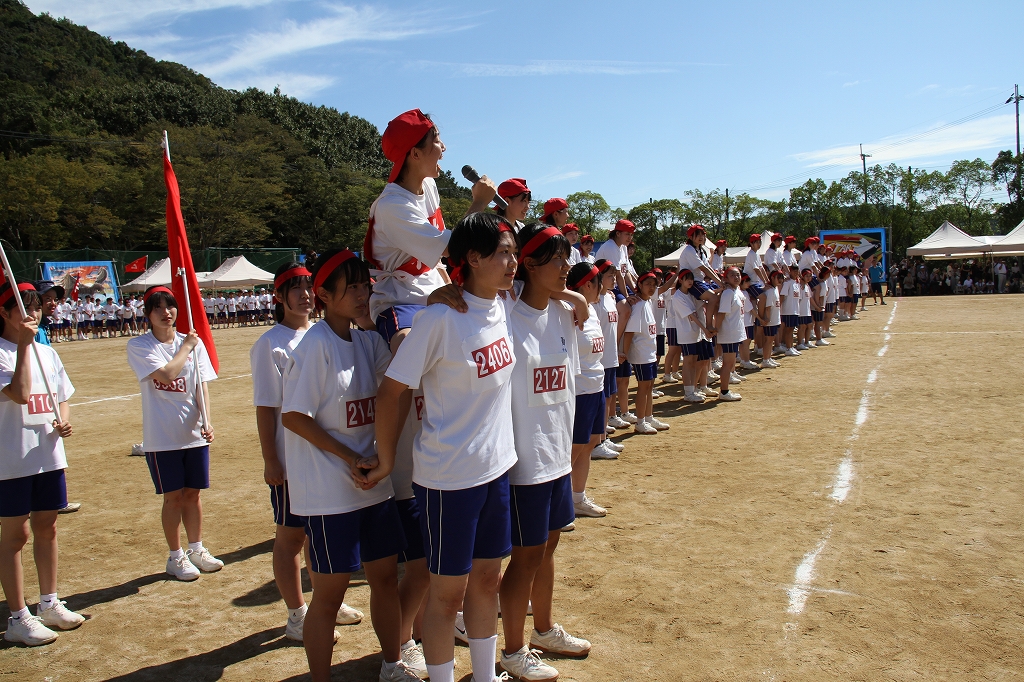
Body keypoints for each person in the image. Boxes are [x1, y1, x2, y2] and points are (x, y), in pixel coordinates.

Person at [371, 212, 518, 682]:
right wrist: (387, 459)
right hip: (448, 480)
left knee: (487, 581)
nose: (512, 262)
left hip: (496, 469)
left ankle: (485, 676)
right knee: (447, 595)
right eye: (503, 253)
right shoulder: (438, 319)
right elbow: (391, 391)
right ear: (473, 257)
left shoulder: (502, 304)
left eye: (514, 252)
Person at [279, 249, 418, 682]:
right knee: (329, 595)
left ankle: (392, 664)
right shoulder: (314, 345)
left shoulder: (367, 341)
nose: (362, 294)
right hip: (329, 493)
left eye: (364, 285)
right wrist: (353, 457)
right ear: (323, 294)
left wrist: (378, 455)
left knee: (385, 580)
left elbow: (397, 387)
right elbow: (293, 416)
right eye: (351, 287)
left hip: (372, 485)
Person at [249, 262, 364, 643]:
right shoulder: (270, 343)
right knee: (290, 536)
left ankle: (324, 602)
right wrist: (271, 459)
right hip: (291, 459)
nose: (303, 296)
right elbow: (267, 407)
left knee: (319, 535)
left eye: (307, 287)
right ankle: (297, 613)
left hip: (324, 457)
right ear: (279, 297)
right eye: (294, 289)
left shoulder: (322, 333)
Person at [498, 230, 592, 680]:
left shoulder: (564, 314)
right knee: (525, 556)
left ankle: (544, 629)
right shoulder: (505, 314)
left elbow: (566, 385)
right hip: (523, 462)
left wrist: (575, 297)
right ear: (529, 265)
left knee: (548, 548)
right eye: (556, 259)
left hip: (556, 455)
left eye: (567, 258)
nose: (566, 267)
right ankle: (512, 651)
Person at [363, 108, 495, 357]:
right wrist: (478, 203)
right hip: (400, 301)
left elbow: (438, 254)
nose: (443, 147)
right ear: (415, 153)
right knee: (408, 349)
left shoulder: (429, 185)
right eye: (436, 140)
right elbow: (450, 247)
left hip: (434, 290)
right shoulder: (392, 205)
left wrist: (450, 285)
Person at [0, 281, 83, 646]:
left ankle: (49, 602)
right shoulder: (4, 352)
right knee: (16, 535)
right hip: (11, 459)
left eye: (35, 307)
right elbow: (19, 394)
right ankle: (18, 617)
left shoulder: (47, 353)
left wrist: (63, 418)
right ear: (4, 313)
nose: (32, 313)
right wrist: (22, 346)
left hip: (48, 454)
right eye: (24, 307)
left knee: (47, 527)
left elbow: (62, 396)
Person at [126, 286, 221, 581]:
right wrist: (187, 347)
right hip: (162, 437)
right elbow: (167, 375)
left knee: (193, 494)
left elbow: (201, 384)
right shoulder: (140, 346)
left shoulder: (191, 343)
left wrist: (207, 420)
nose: (166, 313)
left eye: (170, 306)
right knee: (173, 498)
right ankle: (175, 556)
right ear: (147, 314)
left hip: (193, 434)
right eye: (158, 308)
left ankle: (197, 549)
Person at [621, 272, 667, 433]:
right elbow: (629, 332)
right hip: (641, 353)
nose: (651, 287)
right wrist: (624, 353)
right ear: (639, 285)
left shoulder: (647, 302)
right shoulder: (638, 305)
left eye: (654, 285)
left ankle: (648, 417)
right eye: (648, 284)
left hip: (649, 352)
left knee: (650, 385)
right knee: (643, 386)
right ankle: (640, 422)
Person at [714, 267, 746, 401]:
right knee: (728, 363)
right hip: (729, 332)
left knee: (731, 362)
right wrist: (716, 329)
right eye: (732, 275)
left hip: (736, 331)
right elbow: (722, 313)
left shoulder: (736, 291)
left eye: (738, 275)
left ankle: (726, 389)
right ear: (726, 278)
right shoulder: (728, 293)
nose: (736, 277)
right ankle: (724, 391)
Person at [594, 219, 636, 295]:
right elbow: (618, 276)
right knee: (625, 302)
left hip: (618, 285)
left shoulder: (623, 247)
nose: (630, 237)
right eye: (627, 234)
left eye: (631, 235)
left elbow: (626, 272)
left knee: (639, 299)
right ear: (618, 233)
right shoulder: (610, 246)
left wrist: (637, 292)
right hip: (606, 287)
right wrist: (627, 297)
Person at [759, 270, 783, 369]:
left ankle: (768, 358)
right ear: (772, 278)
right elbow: (768, 307)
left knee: (771, 339)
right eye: (778, 278)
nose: (780, 280)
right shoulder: (769, 291)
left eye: (781, 278)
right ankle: (765, 360)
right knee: (768, 340)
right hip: (770, 320)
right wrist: (767, 318)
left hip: (775, 318)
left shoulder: (775, 289)